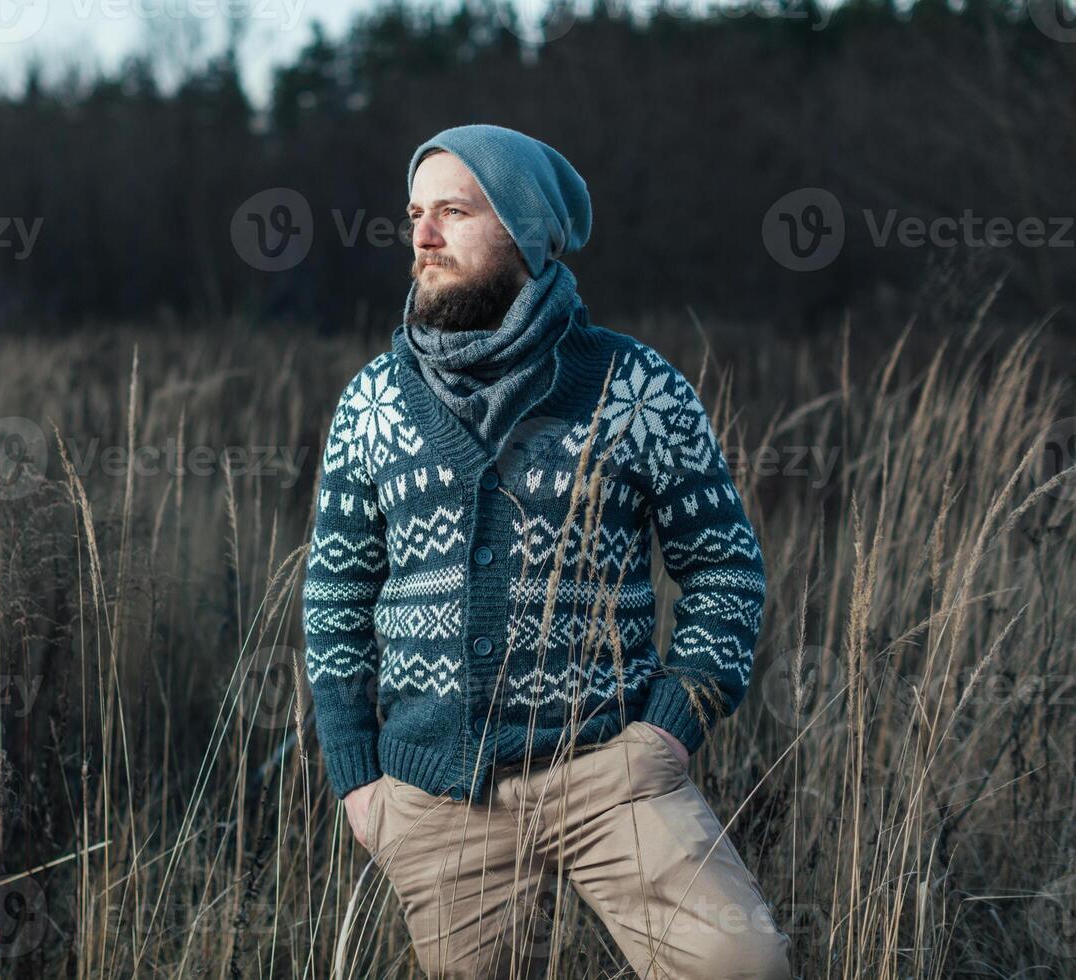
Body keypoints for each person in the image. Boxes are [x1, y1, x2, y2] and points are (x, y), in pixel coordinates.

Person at [301, 123, 791, 979]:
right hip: (436, 797)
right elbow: (335, 593)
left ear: (526, 233)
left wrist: (670, 732)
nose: (421, 234)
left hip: (613, 771)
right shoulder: (373, 404)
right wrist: (359, 780)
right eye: (416, 213)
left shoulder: (632, 388)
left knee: (740, 963)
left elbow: (724, 568)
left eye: (453, 211)